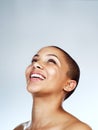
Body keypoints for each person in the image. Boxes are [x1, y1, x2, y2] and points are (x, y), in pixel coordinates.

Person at [14, 45, 92, 130]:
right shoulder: (19, 128)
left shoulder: (77, 128)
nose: (36, 64)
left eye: (51, 61)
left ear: (68, 85)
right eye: (34, 60)